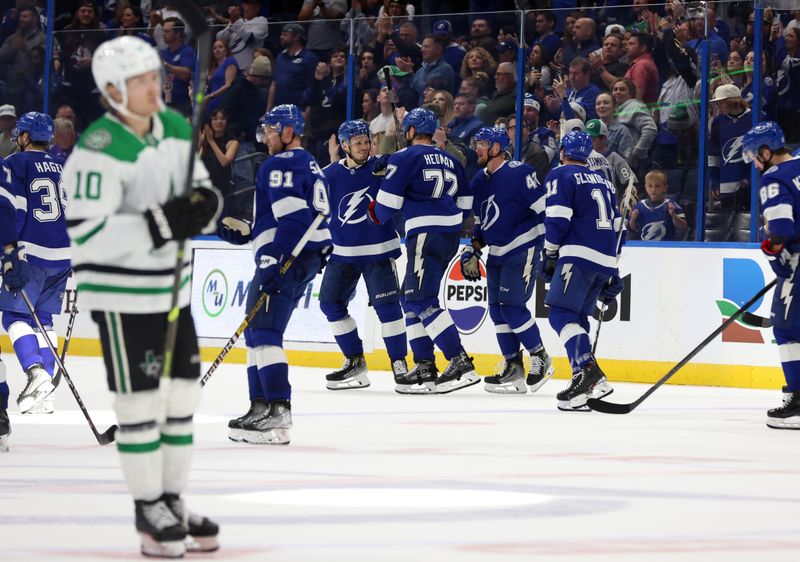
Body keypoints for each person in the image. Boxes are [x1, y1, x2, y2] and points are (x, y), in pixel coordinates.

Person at [62, 36, 221, 557]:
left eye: (156, 76)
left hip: (173, 291)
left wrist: (204, 205)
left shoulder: (177, 128)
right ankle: (147, 510)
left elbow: (203, 194)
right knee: (139, 405)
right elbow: (89, 235)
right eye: (141, 81)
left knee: (182, 401)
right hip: (122, 298)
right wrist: (161, 222)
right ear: (112, 91)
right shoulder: (96, 150)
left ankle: (171, 501)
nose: (155, 87)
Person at [219, 104, 331, 443]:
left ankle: (279, 412)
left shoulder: (279, 163)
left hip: (285, 259)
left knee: (265, 332)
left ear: (288, 132)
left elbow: (294, 220)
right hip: (300, 256)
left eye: (271, 130)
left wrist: (275, 262)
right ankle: (261, 407)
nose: (265, 137)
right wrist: (252, 232)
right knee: (256, 332)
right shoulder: (306, 163)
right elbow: (292, 217)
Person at [368, 107, 477, 394]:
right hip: (450, 236)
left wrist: (375, 210)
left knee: (420, 300)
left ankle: (459, 360)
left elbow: (386, 206)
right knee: (411, 298)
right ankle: (425, 365)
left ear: (412, 131)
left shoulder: (404, 157)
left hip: (425, 234)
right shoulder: (451, 160)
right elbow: (466, 206)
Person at [461, 127, 554, 394]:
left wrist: (550, 250)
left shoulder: (518, 172)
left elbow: (544, 210)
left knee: (512, 307)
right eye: (477, 143)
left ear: (498, 147)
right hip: (497, 253)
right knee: (498, 311)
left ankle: (540, 356)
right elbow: (482, 225)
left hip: (522, 248)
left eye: (483, 144)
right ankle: (513, 367)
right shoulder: (479, 181)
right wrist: (473, 249)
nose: (477, 148)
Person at [319, 121, 407, 390]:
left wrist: (394, 167)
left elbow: (406, 165)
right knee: (329, 304)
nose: (363, 146)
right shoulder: (328, 175)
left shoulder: (383, 167)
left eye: (366, 141)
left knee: (388, 309)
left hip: (377, 252)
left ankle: (399, 363)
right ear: (344, 146)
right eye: (357, 142)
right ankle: (355, 361)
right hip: (342, 253)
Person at [541, 131, 622, 411]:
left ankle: (587, 370)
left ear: (563, 151)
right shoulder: (605, 182)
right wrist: (614, 268)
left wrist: (550, 252)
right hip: (605, 259)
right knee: (577, 317)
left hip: (578, 256)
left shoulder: (560, 175)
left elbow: (558, 220)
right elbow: (617, 227)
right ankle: (586, 382)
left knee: (560, 313)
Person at [0, 112, 67, 422]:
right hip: (63, 257)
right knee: (43, 319)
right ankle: (45, 395)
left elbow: (9, 209)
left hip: (31, 254)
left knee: (14, 315)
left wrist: (10, 250)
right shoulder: (64, 168)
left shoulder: (14, 164)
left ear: (25, 136)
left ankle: (36, 371)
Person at [742, 121, 800, 429]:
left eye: (754, 155)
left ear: (766, 152)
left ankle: (798, 399)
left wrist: (772, 249)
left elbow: (780, 230)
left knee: (788, 330)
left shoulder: (773, 178)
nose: (754, 162)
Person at [708, 84, 751, 211]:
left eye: (720, 103)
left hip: (750, 185)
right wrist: (715, 181)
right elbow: (713, 154)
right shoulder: (718, 122)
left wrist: (750, 178)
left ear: (733, 101)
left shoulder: (755, 117)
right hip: (726, 185)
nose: (717, 107)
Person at [268, 23, 318, 111]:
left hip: (298, 109)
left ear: (296, 37)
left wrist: (307, 113)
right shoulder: (280, 56)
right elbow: (274, 84)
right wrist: (268, 111)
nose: (281, 37)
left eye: (285, 35)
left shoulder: (309, 58)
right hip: (279, 109)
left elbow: (313, 87)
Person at [628, 169, 687, 241]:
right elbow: (633, 228)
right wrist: (633, 219)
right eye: (650, 186)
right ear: (645, 187)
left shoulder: (671, 204)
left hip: (666, 247)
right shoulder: (639, 205)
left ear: (665, 188)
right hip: (643, 247)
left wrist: (673, 215)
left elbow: (683, 227)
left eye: (657, 186)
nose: (653, 189)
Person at [585, 119, 637, 195]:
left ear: (604, 138)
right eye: (586, 139)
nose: (588, 142)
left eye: (593, 139)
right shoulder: (582, 157)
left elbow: (630, 181)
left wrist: (627, 198)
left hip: (611, 203)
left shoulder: (613, 157)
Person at [215, 0, 269, 72]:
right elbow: (220, 38)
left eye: (255, 4)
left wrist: (236, 21)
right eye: (249, 3)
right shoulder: (237, 21)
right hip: (229, 69)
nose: (252, 6)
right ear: (243, 5)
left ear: (259, 7)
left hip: (247, 71)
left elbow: (250, 38)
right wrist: (231, 26)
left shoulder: (262, 21)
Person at [199, 108, 240, 200]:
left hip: (221, 187)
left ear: (227, 121)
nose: (219, 122)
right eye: (215, 119)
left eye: (222, 119)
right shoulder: (205, 140)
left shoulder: (233, 142)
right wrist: (201, 143)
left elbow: (224, 162)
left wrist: (211, 142)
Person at [159, 17, 195, 117]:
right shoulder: (164, 53)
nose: (163, 34)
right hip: (164, 103)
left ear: (178, 34)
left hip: (182, 104)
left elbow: (186, 74)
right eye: (163, 31)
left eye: (167, 31)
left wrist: (165, 65)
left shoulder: (187, 51)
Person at [205, 39, 238, 115]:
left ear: (226, 50)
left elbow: (228, 84)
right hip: (211, 103)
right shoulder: (212, 67)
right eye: (215, 48)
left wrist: (210, 96)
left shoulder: (230, 61)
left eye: (220, 47)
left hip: (224, 102)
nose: (217, 50)